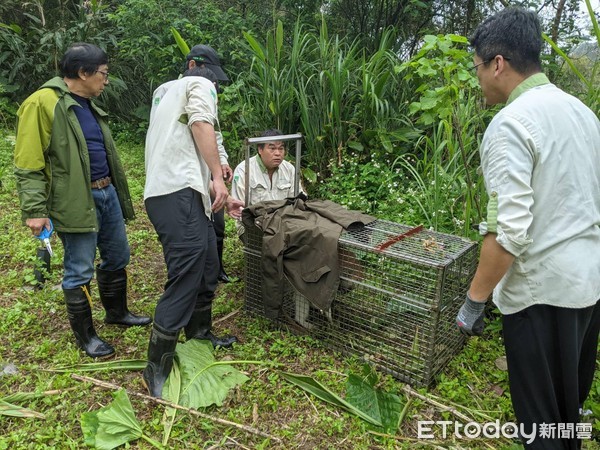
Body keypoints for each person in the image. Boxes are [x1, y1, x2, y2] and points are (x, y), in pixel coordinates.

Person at [455, 8, 600, 449]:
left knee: (540, 428)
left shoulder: (511, 124)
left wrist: (473, 303)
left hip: (542, 297)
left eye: (478, 66)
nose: (478, 78)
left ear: (498, 63)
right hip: (588, 287)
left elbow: (509, 231)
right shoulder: (581, 113)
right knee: (566, 412)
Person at [14, 43, 151, 359]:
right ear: (82, 72)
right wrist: (35, 210)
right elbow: (28, 163)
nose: (106, 80)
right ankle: (87, 337)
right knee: (78, 268)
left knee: (118, 255)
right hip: (76, 198)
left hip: (106, 193)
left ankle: (117, 313)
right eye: (103, 74)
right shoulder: (41, 104)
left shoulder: (87, 103)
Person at [143, 66, 244, 398]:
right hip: (176, 191)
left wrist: (218, 194)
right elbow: (202, 124)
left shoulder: (164, 91)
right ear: (213, 80)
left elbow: (183, 145)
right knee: (187, 272)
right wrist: (218, 177)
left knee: (208, 264)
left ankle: (199, 335)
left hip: (178, 191)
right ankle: (156, 367)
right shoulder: (201, 84)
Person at [186, 44, 233, 283]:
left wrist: (221, 162)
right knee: (193, 230)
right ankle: (199, 274)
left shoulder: (208, 91)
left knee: (217, 222)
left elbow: (213, 133)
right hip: (187, 174)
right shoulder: (174, 92)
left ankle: (217, 269)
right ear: (192, 65)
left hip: (209, 171)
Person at [231, 128, 305, 236]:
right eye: (272, 148)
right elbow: (240, 210)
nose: (277, 153)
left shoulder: (289, 169)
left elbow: (298, 200)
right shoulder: (244, 170)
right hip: (253, 227)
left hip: (284, 225)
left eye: (281, 149)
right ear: (260, 150)